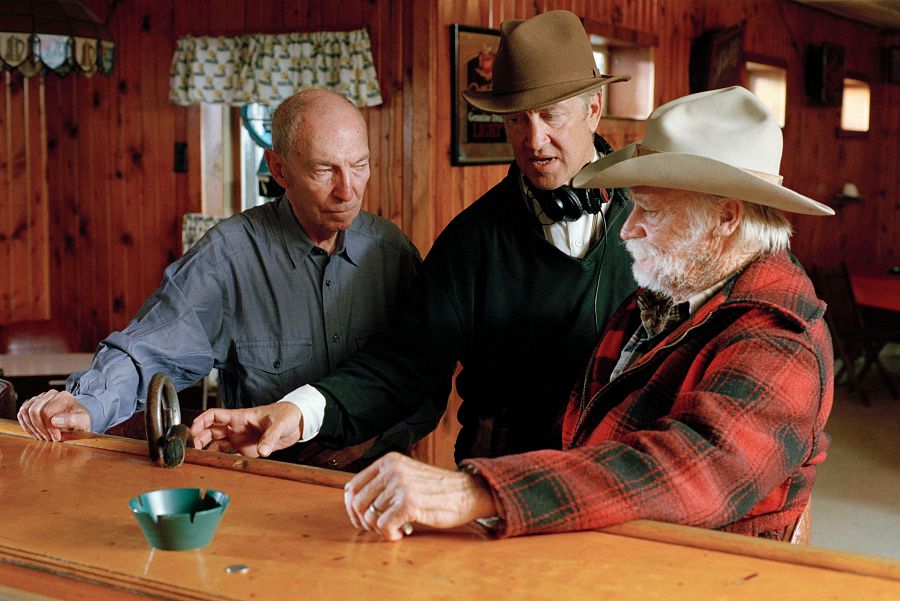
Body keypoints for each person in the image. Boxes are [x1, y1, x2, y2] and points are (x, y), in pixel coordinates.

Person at [340, 86, 836, 541]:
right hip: (616, 548)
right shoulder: (668, 292)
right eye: (633, 207)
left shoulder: (780, 337)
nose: (627, 230)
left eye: (652, 211)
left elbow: (689, 468)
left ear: (726, 218)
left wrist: (478, 492)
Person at [188, 10, 637, 463]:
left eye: (550, 116)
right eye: (518, 120)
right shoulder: (471, 241)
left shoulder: (655, 220)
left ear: (593, 109)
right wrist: (296, 411)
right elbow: (402, 363)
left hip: (624, 474)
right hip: (501, 478)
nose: (534, 139)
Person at [17, 88, 436, 470]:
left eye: (359, 165)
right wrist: (86, 404)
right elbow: (148, 351)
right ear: (279, 169)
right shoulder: (229, 256)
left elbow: (426, 377)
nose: (348, 190)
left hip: (382, 481)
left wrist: (369, 440)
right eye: (325, 170)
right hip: (268, 485)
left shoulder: (392, 252)